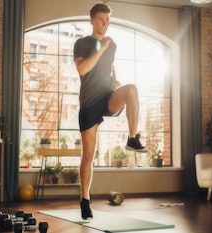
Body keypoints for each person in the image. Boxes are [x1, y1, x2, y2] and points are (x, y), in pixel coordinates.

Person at [73, 3, 147, 219]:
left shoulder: (111, 46)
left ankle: (132, 138)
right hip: (89, 104)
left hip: (107, 98)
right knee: (88, 156)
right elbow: (82, 68)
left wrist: (114, 80)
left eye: (107, 20)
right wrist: (102, 47)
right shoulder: (83, 43)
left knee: (131, 89)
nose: (105, 24)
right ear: (92, 20)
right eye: (101, 20)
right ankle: (85, 199)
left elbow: (109, 65)